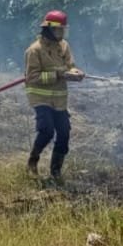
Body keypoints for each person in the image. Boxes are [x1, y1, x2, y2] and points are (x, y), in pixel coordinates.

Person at [24, 10, 85, 183]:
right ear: (48, 29)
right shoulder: (34, 50)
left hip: (59, 99)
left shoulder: (64, 46)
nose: (62, 34)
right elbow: (33, 77)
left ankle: (55, 173)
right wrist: (59, 75)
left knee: (64, 133)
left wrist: (75, 73)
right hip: (40, 97)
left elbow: (70, 66)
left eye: (63, 30)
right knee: (46, 130)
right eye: (59, 30)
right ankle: (33, 160)